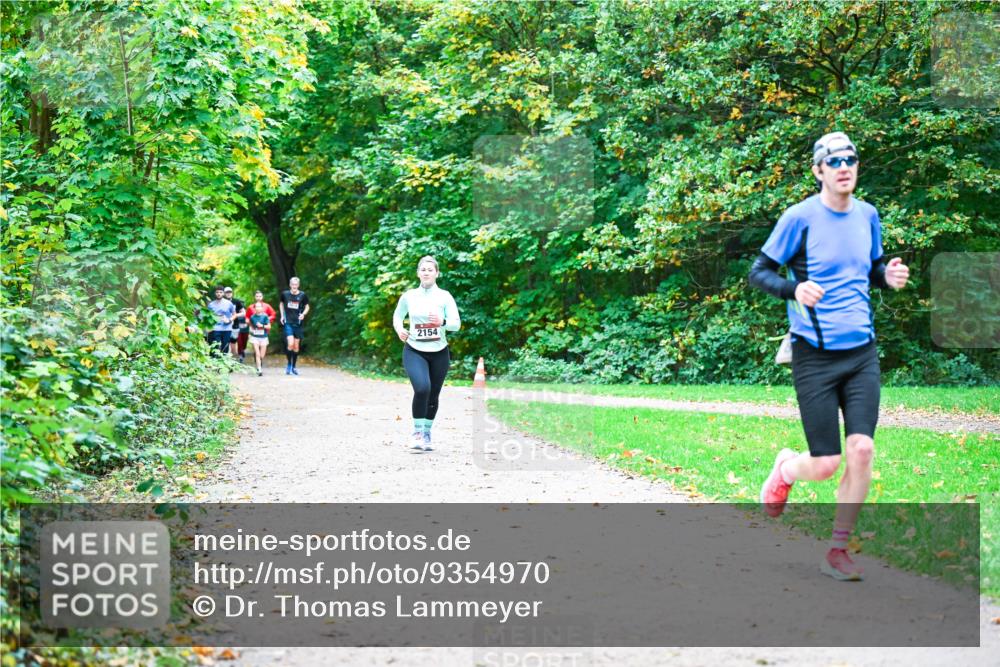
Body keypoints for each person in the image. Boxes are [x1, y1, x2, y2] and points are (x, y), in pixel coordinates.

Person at [749, 132, 910, 581]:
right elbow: (759, 272)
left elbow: (871, 269)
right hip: (814, 356)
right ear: (818, 170)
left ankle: (838, 551)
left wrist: (888, 276)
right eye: (833, 161)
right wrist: (793, 288)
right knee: (825, 464)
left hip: (861, 352)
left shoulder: (868, 216)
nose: (844, 167)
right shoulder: (799, 218)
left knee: (862, 449)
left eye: (851, 159)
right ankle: (785, 470)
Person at [392, 256, 461, 452]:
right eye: (423, 269)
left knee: (433, 394)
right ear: (418, 273)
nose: (426, 272)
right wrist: (399, 329)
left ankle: (427, 433)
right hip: (414, 350)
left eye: (430, 269)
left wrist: (442, 322)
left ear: (437, 273)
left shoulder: (445, 296)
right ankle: (417, 433)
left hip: (439, 352)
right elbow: (398, 316)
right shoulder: (409, 296)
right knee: (422, 388)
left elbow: (456, 324)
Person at [279, 277, 310, 375]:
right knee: (290, 344)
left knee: (296, 347)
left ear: (298, 285)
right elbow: (281, 304)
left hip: (298, 324)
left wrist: (303, 314)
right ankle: (288, 364)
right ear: (290, 285)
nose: (294, 286)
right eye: (292, 284)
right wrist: (282, 315)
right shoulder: (285, 294)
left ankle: (294, 366)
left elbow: (307, 306)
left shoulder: (302, 295)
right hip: (288, 322)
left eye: (296, 285)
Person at [206, 286, 235, 356]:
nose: (219, 294)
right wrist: (208, 327)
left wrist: (229, 320)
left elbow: (234, 314)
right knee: (214, 347)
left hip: (226, 328)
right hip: (215, 328)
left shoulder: (229, 303)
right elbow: (208, 317)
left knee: (225, 348)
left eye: (221, 292)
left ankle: (224, 364)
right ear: (215, 293)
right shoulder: (211, 305)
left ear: (223, 293)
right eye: (217, 292)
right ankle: (214, 364)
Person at [224, 287, 248, 362]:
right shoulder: (221, 302)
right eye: (227, 292)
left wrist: (236, 315)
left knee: (233, 343)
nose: (228, 294)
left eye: (230, 292)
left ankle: (232, 359)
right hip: (223, 325)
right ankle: (227, 361)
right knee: (225, 343)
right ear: (224, 293)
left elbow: (244, 313)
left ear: (232, 293)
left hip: (235, 325)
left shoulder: (236, 301)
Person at [248, 302, 272, 376]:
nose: (258, 308)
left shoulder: (265, 316)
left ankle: (259, 364)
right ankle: (259, 369)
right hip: (255, 337)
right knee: (257, 354)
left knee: (261, 355)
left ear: (262, 308)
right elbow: (251, 326)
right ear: (254, 308)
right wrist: (250, 332)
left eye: (259, 307)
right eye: (256, 307)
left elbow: (269, 326)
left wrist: (262, 326)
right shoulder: (252, 317)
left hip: (263, 337)